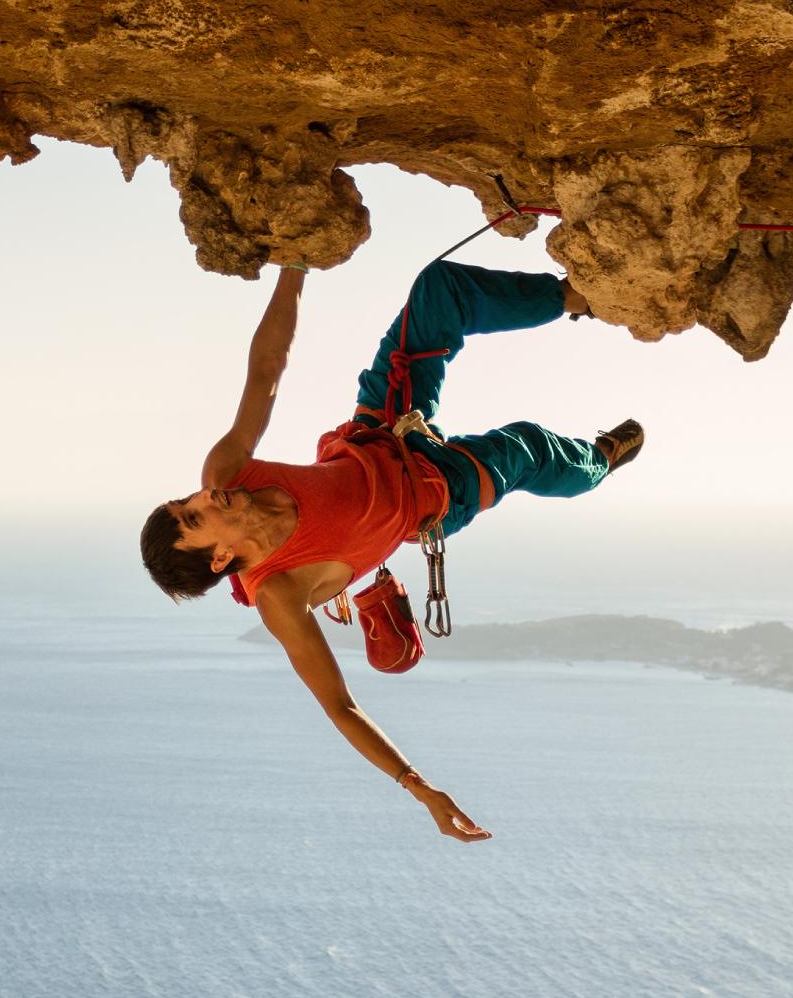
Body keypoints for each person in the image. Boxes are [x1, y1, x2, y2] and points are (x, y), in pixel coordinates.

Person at [139, 258, 644, 843]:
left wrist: (295, 268)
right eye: (195, 516)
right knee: (526, 446)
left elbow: (265, 371)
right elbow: (340, 707)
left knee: (438, 292)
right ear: (220, 558)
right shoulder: (278, 592)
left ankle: (579, 297)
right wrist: (419, 786)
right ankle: (596, 463)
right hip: (436, 492)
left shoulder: (228, 471)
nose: (205, 495)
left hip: (380, 430)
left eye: (186, 499)